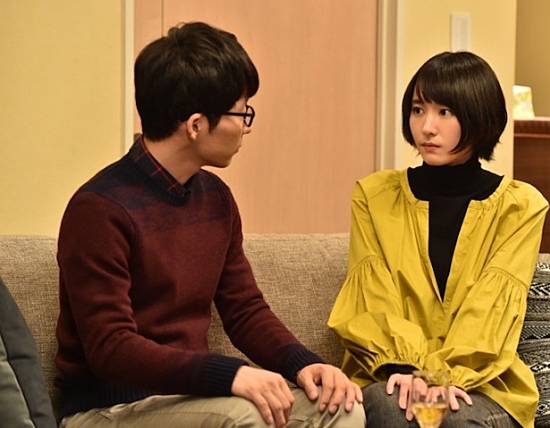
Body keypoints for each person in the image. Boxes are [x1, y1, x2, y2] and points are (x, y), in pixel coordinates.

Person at [55, 21, 365, 428]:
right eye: (241, 112)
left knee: (341, 410)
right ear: (196, 125)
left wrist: (303, 364)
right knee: (246, 417)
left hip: (190, 401)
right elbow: (111, 347)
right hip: (106, 411)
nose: (247, 126)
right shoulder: (99, 210)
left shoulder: (215, 198)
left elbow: (244, 309)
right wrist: (229, 374)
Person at [328, 51, 548, 428]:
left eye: (444, 112)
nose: (427, 127)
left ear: (479, 116)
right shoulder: (374, 196)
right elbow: (373, 299)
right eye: (418, 110)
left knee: (456, 419)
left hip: (483, 383)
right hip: (392, 374)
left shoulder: (520, 207)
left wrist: (445, 376)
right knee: (393, 409)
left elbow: (490, 310)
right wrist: (407, 368)